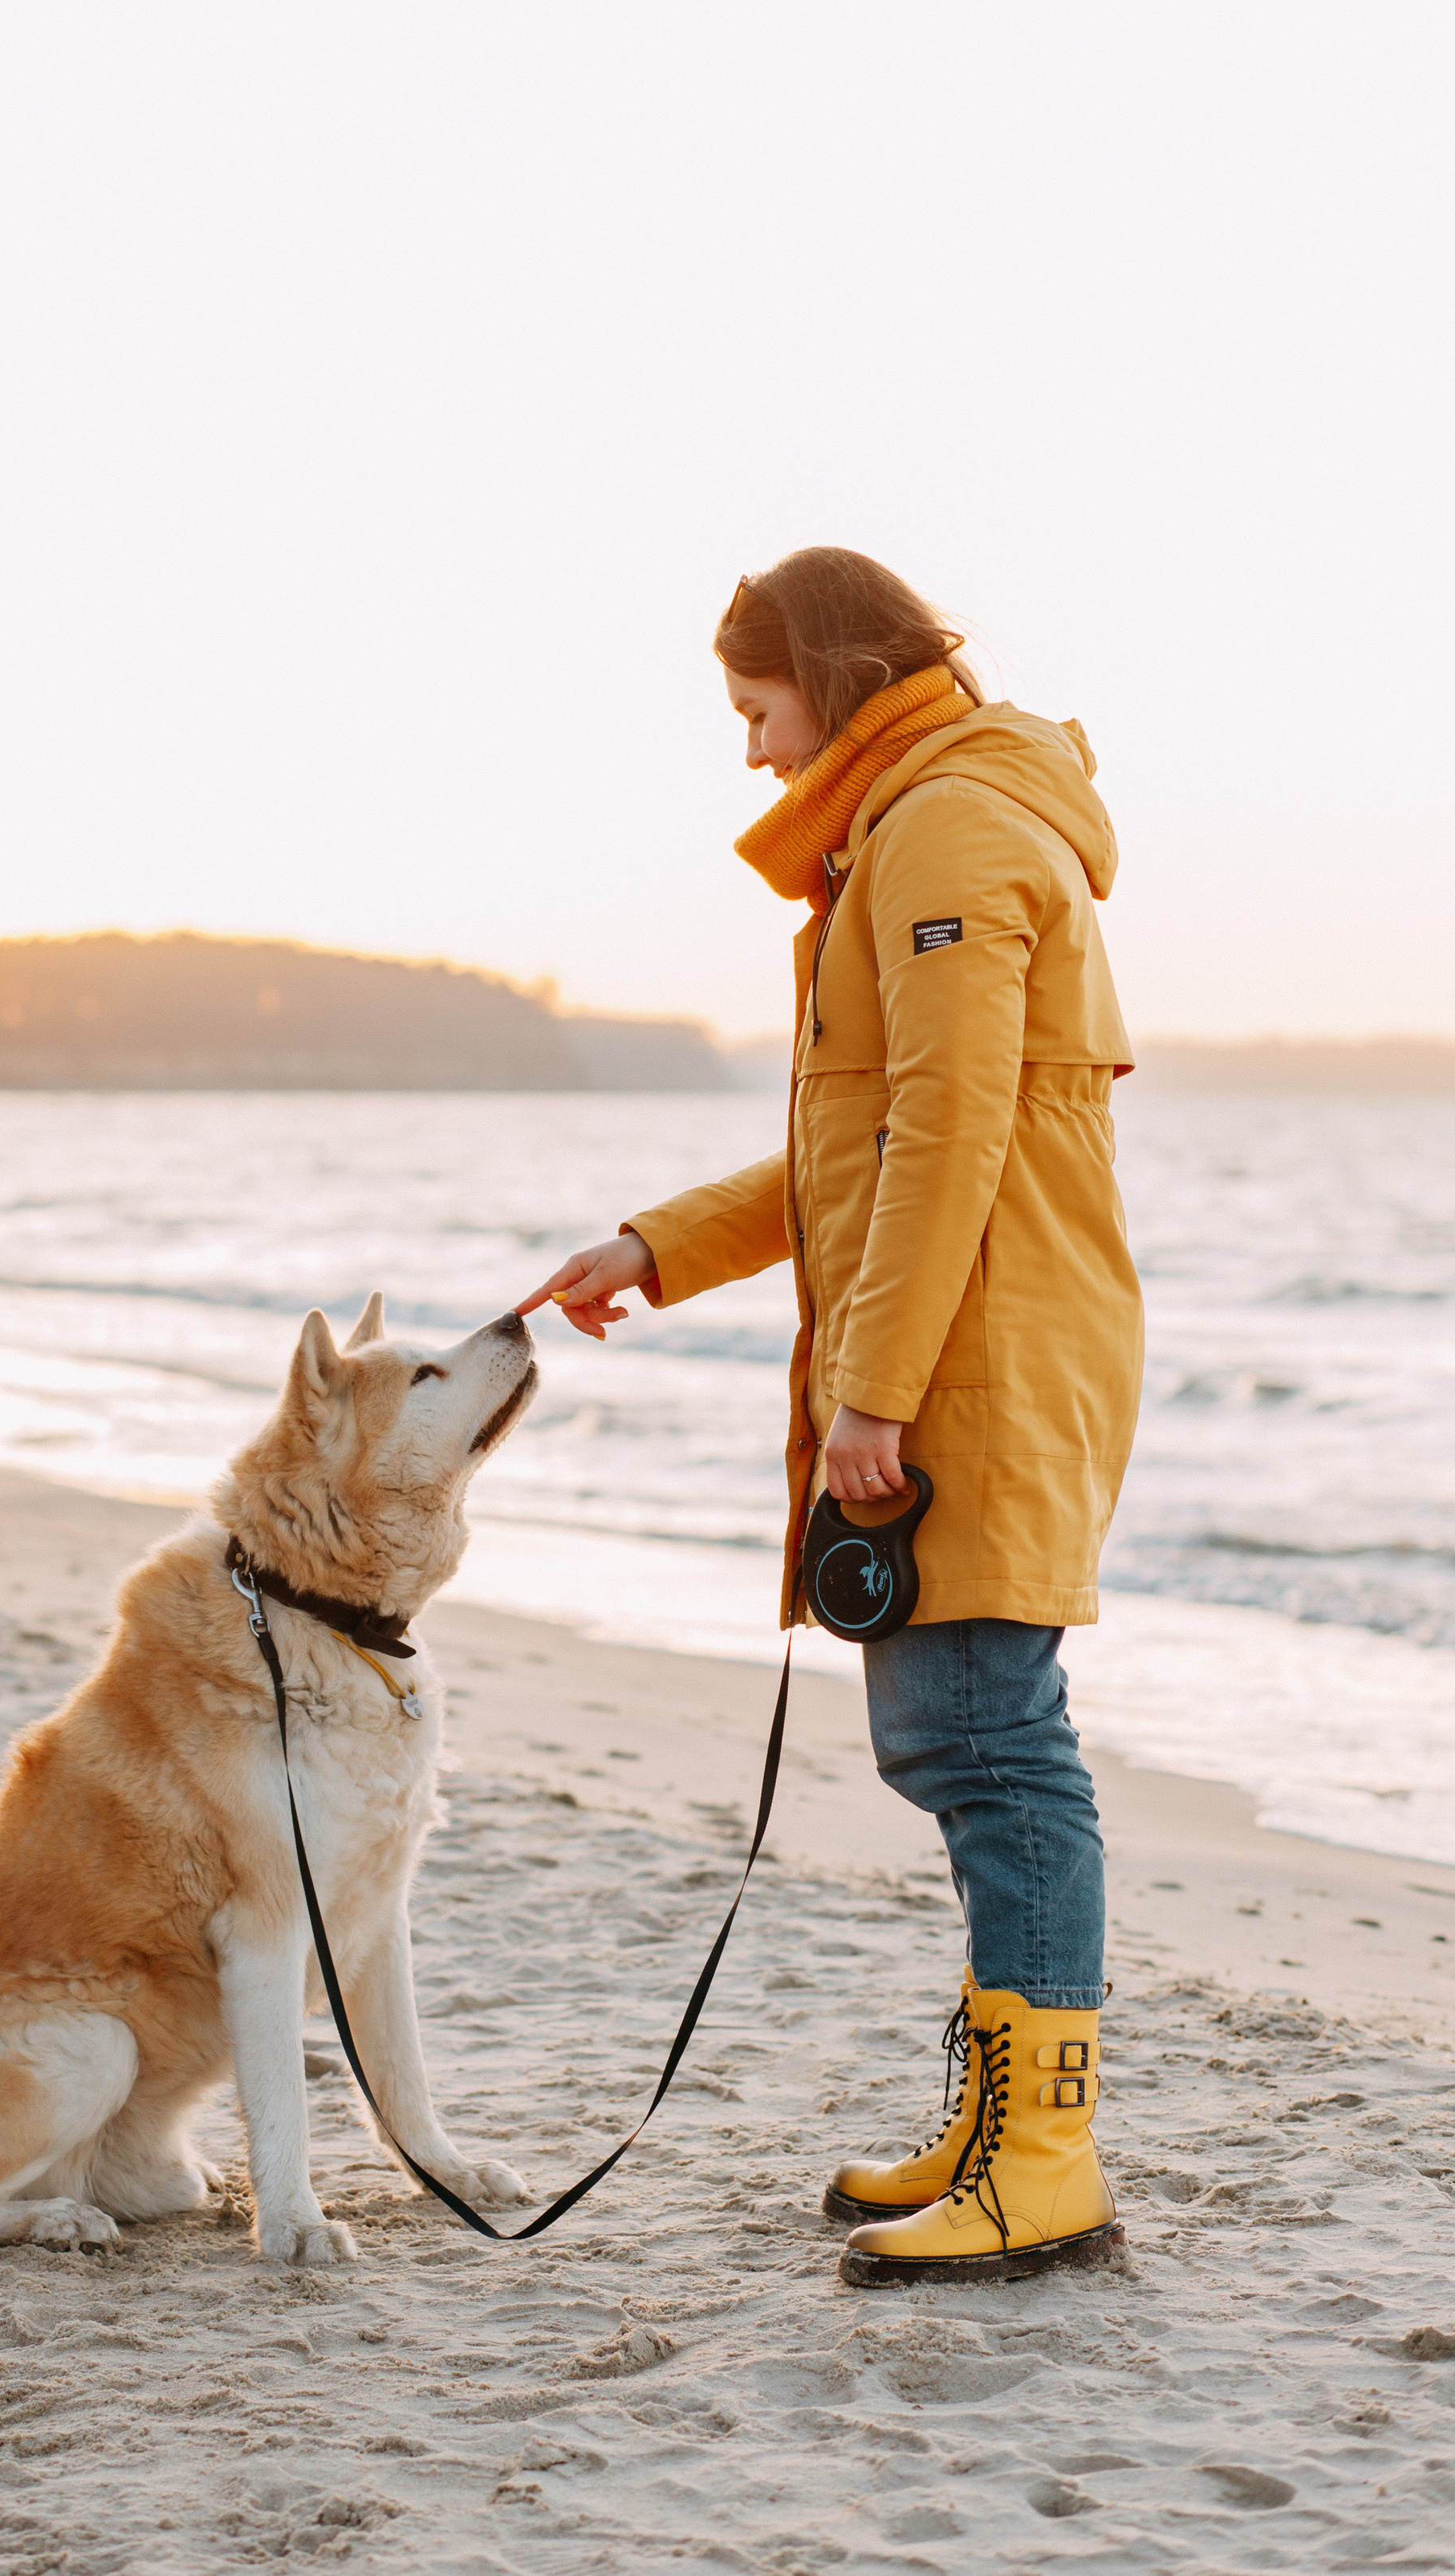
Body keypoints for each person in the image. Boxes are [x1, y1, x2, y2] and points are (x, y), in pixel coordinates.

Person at [519, 547, 1143, 2283]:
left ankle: (1043, 2155)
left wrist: (871, 1393)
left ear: (827, 672)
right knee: (961, 1742)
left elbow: (945, 1138)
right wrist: (657, 1246)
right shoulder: (917, 823)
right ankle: (1001, 2122)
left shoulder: (944, 829)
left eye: (754, 709)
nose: (747, 753)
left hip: (976, 1360)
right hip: (970, 1339)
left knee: (988, 1747)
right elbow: (857, 1147)